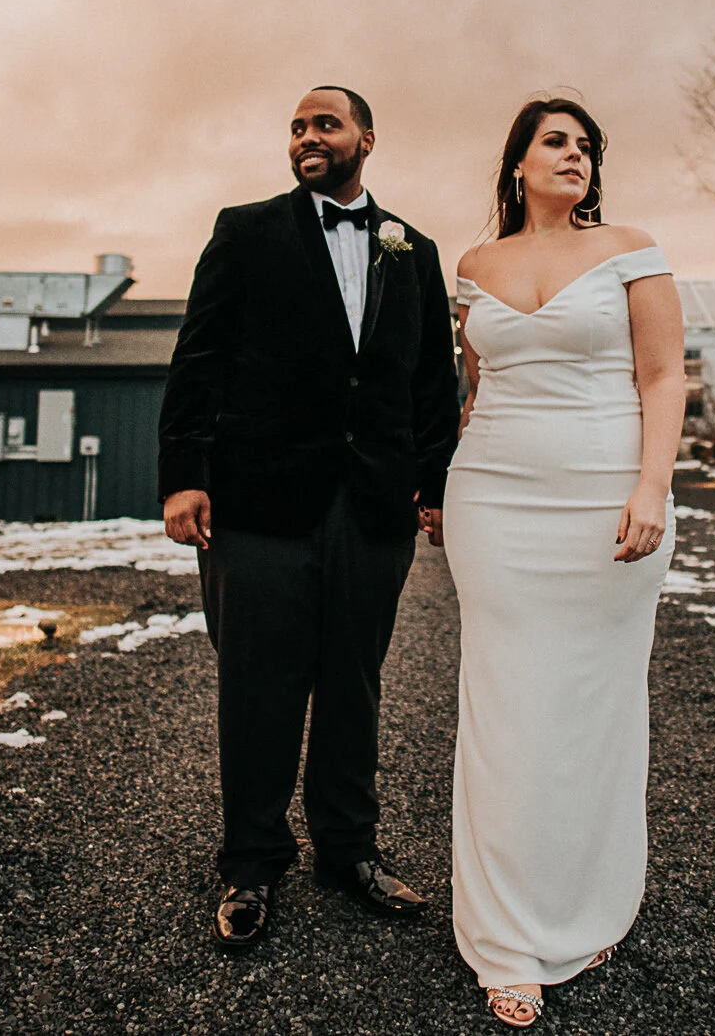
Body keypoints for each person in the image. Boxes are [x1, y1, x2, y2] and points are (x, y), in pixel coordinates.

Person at [158, 86, 461, 950]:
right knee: (258, 686)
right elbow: (199, 359)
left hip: (372, 508)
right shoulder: (245, 231)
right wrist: (184, 475)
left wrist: (431, 483)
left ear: (367, 137)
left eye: (325, 123)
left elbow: (428, 384)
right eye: (296, 127)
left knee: (354, 685)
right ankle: (251, 861)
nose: (307, 137)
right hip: (260, 504)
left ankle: (349, 849)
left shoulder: (413, 249)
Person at [442, 98, 686, 1027]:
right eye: (557, 141)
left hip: (605, 499)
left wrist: (650, 488)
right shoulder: (474, 267)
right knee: (506, 712)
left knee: (593, 711)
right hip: (495, 500)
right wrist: (438, 485)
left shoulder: (630, 246)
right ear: (518, 162)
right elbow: (470, 389)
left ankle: (588, 907)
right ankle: (504, 936)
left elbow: (662, 376)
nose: (576, 155)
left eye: (588, 147)